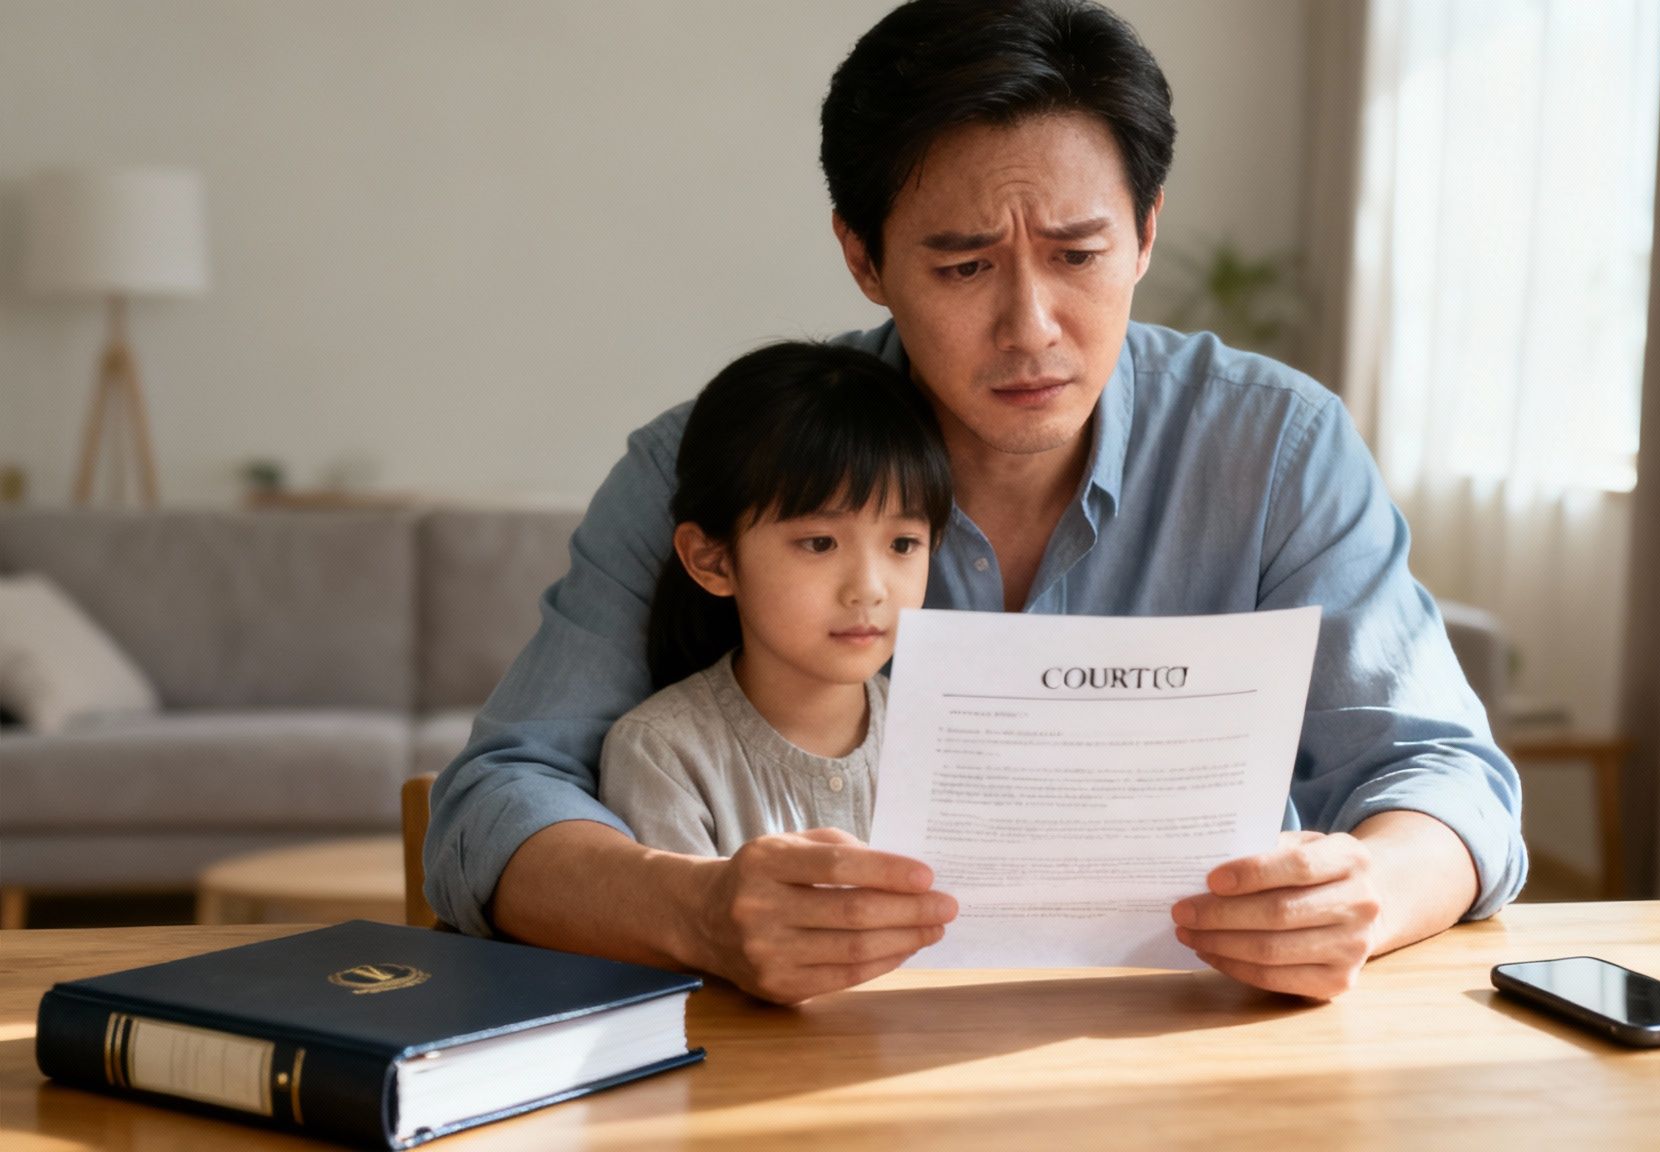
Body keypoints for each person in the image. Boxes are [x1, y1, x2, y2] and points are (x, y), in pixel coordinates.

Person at [425, 0, 1526, 1006]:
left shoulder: (1272, 447)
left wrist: (1363, 892)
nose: (1031, 326)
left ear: (1144, 233)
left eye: (1077, 254)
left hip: (1196, 1052)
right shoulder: (714, 460)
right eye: (962, 268)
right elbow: (492, 803)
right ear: (862, 257)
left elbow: (1446, 777)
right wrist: (695, 913)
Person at [598, 342, 950, 862]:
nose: (870, 588)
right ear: (712, 561)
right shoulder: (663, 754)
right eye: (820, 543)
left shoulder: (937, 740)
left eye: (903, 544)